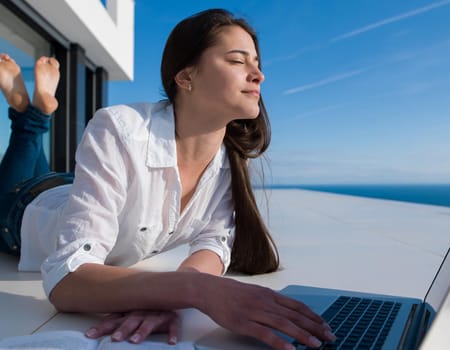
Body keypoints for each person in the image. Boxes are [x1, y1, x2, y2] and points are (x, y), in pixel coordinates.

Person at [0, 9, 336, 350]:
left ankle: (32, 111)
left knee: (29, 151)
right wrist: (198, 291)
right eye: (238, 61)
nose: (259, 75)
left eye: (257, 62)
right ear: (186, 77)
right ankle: (34, 116)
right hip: (21, 208)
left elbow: (213, 242)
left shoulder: (226, 161)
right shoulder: (120, 127)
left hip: (69, 187)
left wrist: (173, 293)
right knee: (21, 153)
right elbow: (66, 279)